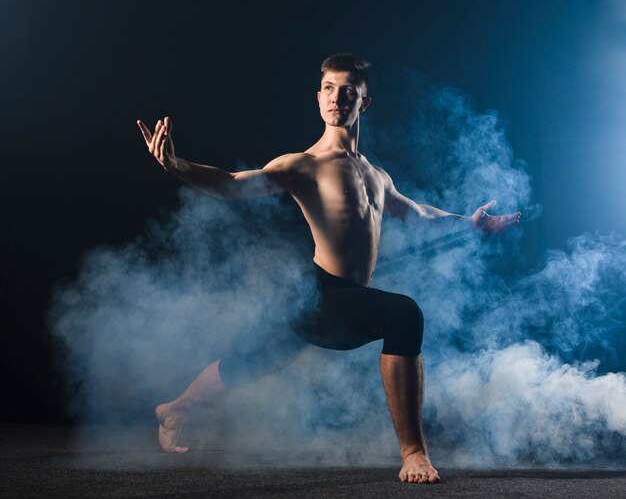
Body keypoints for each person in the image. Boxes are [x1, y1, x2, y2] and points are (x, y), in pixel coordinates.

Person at [137, 53, 521, 484]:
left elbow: (415, 212)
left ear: (364, 103)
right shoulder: (303, 165)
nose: (336, 98)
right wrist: (177, 165)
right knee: (403, 314)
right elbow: (230, 184)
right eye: (328, 89)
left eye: (347, 91)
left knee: (255, 358)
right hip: (319, 293)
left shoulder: (377, 175)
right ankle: (413, 452)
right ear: (318, 97)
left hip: (338, 299)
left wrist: (467, 223)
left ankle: (174, 410)